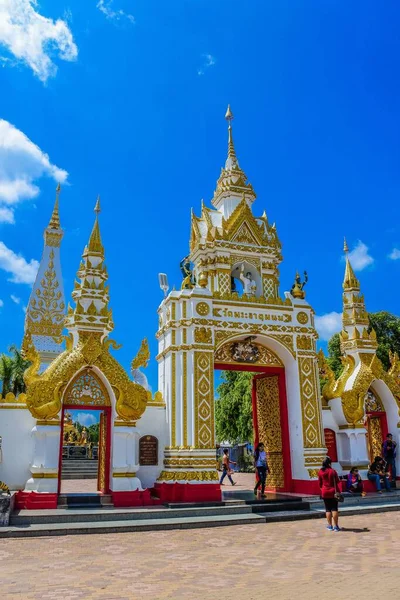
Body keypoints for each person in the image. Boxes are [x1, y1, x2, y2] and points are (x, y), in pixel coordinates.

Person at [318, 456, 341, 531]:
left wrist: (322, 489)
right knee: (334, 508)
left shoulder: (320, 471)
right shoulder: (333, 471)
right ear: (329, 463)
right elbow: (337, 481)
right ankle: (336, 526)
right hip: (333, 491)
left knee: (327, 509)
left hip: (325, 491)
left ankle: (330, 525)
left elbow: (320, 483)